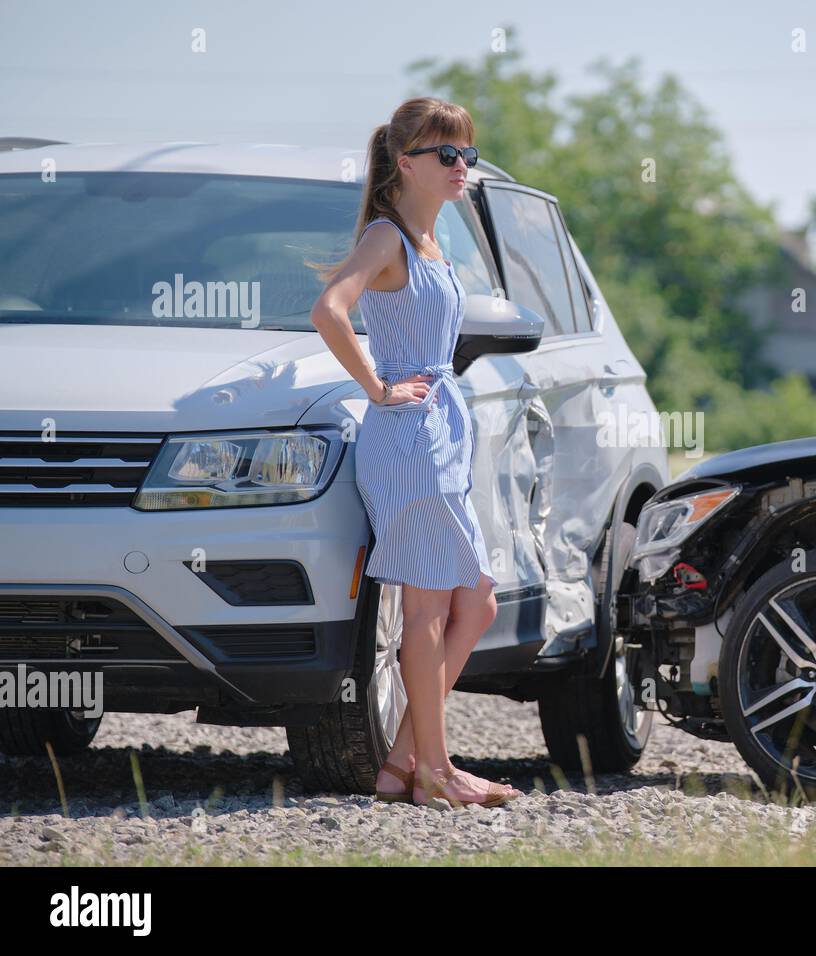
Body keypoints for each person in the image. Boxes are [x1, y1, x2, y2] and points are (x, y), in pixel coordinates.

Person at [310, 97, 522, 808]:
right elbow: (329, 309)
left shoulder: (433, 244)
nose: (463, 166)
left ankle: (406, 760)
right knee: (427, 609)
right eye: (446, 155)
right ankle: (433, 770)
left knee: (480, 603)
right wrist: (375, 385)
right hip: (409, 437)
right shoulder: (386, 237)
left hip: (442, 434)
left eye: (467, 154)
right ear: (407, 163)